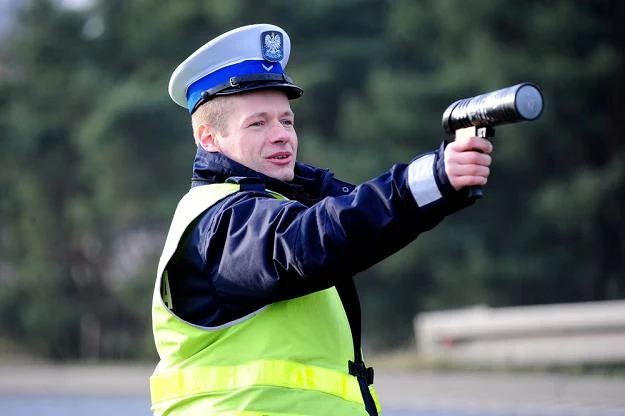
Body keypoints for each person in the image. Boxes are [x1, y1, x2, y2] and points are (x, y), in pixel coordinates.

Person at [149, 23, 493, 416]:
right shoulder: (221, 219)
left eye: (286, 120)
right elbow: (312, 239)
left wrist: (439, 181)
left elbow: (351, 216)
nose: (281, 135)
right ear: (208, 138)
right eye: (258, 123)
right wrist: (428, 179)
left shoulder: (285, 200)